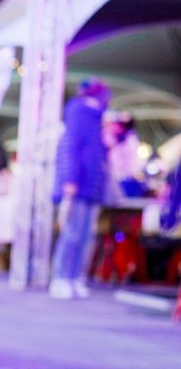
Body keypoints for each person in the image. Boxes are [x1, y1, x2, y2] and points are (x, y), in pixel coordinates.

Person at [50, 77, 112, 300]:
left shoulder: (97, 119)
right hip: (78, 185)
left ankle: (75, 276)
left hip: (92, 186)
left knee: (86, 236)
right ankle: (60, 277)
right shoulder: (79, 113)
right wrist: (70, 180)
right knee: (73, 233)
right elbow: (70, 147)